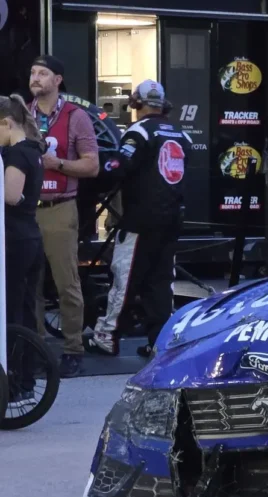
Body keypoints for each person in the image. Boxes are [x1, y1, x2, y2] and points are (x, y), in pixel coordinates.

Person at [85, 80, 191, 358]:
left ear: (136, 103)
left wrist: (94, 169)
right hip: (172, 220)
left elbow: (118, 166)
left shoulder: (139, 131)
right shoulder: (181, 134)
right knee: (161, 283)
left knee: (125, 278)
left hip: (140, 221)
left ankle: (107, 336)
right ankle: (160, 343)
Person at [27, 55, 98, 377]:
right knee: (29, 284)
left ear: (58, 80)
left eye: (43, 73)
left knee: (66, 283)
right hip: (24, 208)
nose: (35, 77)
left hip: (59, 208)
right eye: (32, 72)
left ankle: (73, 349)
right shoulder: (20, 114)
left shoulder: (75, 116)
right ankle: (34, 348)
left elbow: (92, 165)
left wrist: (59, 165)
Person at [1, 94, 46, 405]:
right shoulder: (34, 151)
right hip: (30, 235)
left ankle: (15, 383)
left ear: (7, 123)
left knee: (12, 313)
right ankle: (26, 380)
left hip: (15, 238)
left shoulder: (17, 155)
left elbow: (11, 196)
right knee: (27, 312)